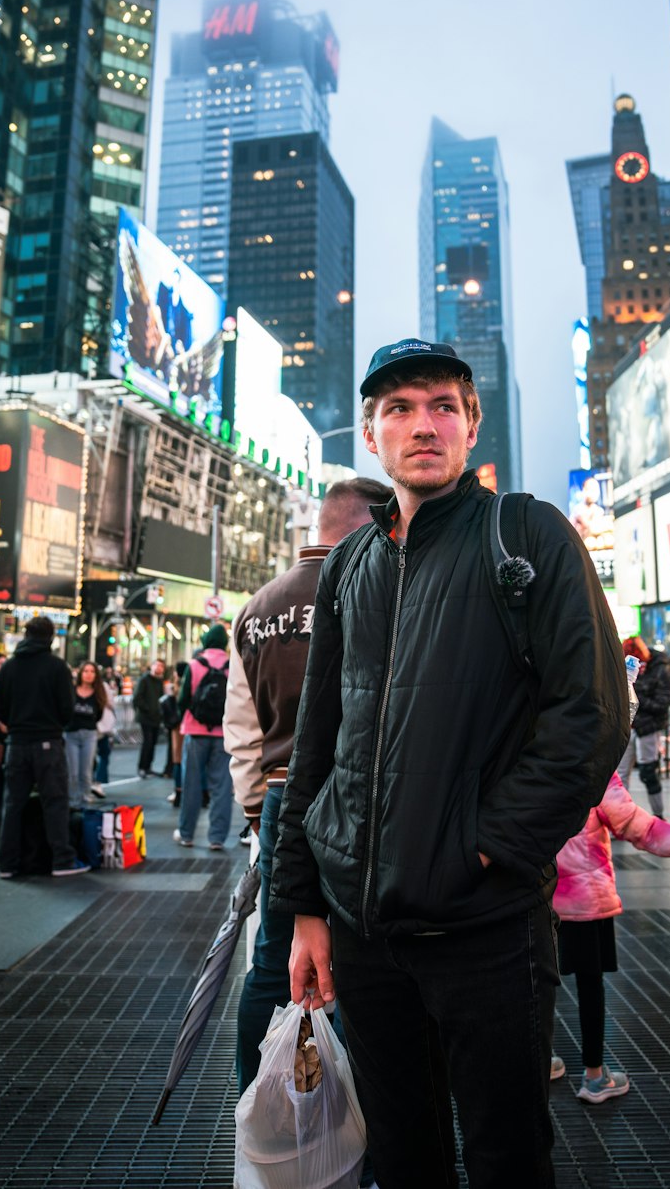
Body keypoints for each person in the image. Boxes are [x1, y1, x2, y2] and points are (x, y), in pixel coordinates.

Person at [271, 337, 628, 1187]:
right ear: (370, 435)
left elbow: (592, 717)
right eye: (399, 408)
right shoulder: (352, 563)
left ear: (471, 426)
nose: (422, 425)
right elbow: (316, 747)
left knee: (506, 1154)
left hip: (486, 928)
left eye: (442, 406)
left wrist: (489, 845)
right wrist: (304, 907)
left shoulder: (528, 535)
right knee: (402, 1154)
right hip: (363, 933)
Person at [224, 475, 393, 1094]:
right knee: (359, 956)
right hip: (355, 795)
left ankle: (256, 1099)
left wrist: (257, 813)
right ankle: (350, 1116)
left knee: (273, 958)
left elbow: (240, 730)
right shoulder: (371, 588)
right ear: (369, 524)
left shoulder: (257, 607)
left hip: (278, 795)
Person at [553, 770, 670, 1102]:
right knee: (590, 985)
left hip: (535, 896)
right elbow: (640, 828)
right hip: (585, 898)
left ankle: (541, 1059)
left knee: (539, 983)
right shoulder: (594, 765)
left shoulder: (522, 753)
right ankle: (595, 1077)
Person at [0, 616, 88, 879]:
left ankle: (7, 863)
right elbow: (67, 709)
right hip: (48, 742)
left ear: (25, 634)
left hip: (17, 742)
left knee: (13, 804)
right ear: (50, 637)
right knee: (55, 802)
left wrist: (14, 724)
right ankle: (62, 860)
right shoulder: (57, 667)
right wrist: (53, 723)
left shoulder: (9, 667)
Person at [174, 625, 232, 850]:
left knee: (192, 784)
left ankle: (186, 833)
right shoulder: (233, 664)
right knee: (222, 786)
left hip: (195, 732)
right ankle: (217, 838)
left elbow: (182, 699)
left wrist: (186, 718)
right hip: (223, 733)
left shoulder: (195, 664)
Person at [616, 637, 670, 816]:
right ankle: (620, 817)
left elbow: (662, 703)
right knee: (620, 776)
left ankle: (658, 815)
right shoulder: (634, 668)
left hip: (647, 728)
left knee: (648, 773)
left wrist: (637, 693)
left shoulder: (660, 669)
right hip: (628, 727)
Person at [66, 661, 102, 809]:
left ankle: (85, 802)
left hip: (89, 734)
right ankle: (73, 803)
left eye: (92, 671)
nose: (88, 674)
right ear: (81, 673)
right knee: (72, 772)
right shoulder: (72, 691)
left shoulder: (98, 694)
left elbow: (98, 714)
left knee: (86, 772)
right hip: (71, 734)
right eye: (86, 671)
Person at [132, 658, 164, 779]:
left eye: (161, 666)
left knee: (153, 742)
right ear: (152, 666)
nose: (159, 668)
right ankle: (142, 767)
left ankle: (148, 766)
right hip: (146, 717)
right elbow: (137, 698)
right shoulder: (144, 680)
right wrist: (147, 709)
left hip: (156, 717)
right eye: (157, 665)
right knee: (148, 742)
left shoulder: (159, 682)